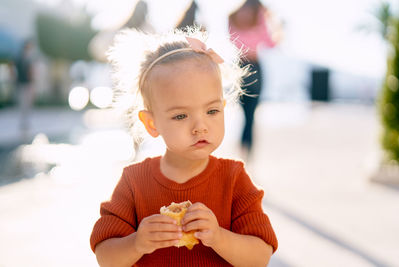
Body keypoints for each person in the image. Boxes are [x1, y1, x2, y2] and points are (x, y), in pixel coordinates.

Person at [90, 26, 278, 266]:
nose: (200, 127)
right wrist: (136, 243)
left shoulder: (234, 180)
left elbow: (260, 256)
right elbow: (106, 256)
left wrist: (219, 237)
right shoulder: (134, 182)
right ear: (151, 123)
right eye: (181, 116)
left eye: (212, 111)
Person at [229, 0, 282, 158]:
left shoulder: (232, 16)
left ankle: (241, 148)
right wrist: (274, 23)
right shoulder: (259, 14)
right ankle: (248, 152)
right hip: (254, 66)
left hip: (239, 65)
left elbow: (232, 39)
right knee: (251, 115)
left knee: (244, 113)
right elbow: (271, 43)